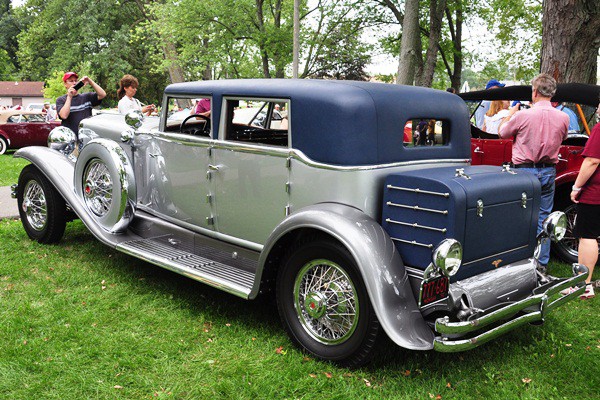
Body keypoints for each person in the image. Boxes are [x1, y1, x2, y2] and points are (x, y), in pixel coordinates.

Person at [498, 73, 569, 270]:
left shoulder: (522, 115)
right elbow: (563, 138)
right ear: (552, 93)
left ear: (535, 92)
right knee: (544, 218)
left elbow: (502, 133)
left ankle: (519, 261)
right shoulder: (563, 117)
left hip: (524, 172)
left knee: (519, 216)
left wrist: (510, 113)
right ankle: (540, 263)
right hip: (548, 171)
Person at [568, 99, 600, 299]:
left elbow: (592, 160)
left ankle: (584, 285)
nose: (598, 108)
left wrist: (576, 186)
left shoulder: (599, 129)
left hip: (596, 192)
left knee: (587, 235)